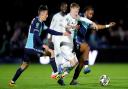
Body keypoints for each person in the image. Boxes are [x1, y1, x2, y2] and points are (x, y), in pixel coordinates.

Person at [8, 5, 70, 87]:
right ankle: (55, 74)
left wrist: (62, 33)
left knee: (24, 65)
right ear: (42, 14)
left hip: (28, 48)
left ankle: (12, 82)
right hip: (31, 47)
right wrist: (42, 45)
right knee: (51, 52)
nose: (47, 16)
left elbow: (49, 30)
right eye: (46, 14)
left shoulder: (40, 23)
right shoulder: (37, 22)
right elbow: (36, 35)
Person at [70, 5, 116, 85]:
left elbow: (96, 27)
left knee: (80, 62)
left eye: (92, 14)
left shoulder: (87, 22)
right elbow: (75, 18)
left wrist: (108, 25)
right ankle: (86, 67)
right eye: (90, 14)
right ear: (86, 12)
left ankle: (73, 80)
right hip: (74, 41)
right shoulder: (79, 16)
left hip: (79, 42)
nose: (91, 16)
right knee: (87, 47)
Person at [49, 2, 68, 79]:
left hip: (64, 38)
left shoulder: (67, 17)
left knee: (64, 55)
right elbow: (51, 27)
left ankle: (55, 72)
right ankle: (55, 72)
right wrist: (49, 38)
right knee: (58, 54)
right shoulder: (55, 16)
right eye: (63, 6)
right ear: (60, 7)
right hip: (56, 38)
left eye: (66, 7)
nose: (64, 8)